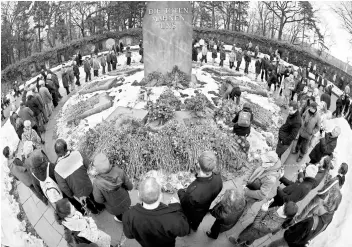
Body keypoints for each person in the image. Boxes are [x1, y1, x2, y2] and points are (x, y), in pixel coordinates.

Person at [122, 177, 190, 247]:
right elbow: (184, 231)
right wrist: (177, 206)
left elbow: (129, 235)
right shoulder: (174, 218)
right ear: (160, 196)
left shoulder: (128, 215)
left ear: (138, 195)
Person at [54, 139, 105, 215]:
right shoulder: (77, 154)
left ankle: (94, 211)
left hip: (78, 192)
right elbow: (88, 165)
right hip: (88, 184)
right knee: (94, 195)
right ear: (66, 147)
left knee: (86, 201)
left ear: (57, 153)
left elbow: (63, 187)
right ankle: (101, 207)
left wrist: (71, 195)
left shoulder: (57, 169)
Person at [178, 151, 223, 231]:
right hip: (204, 208)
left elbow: (185, 203)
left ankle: (188, 229)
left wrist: (180, 190)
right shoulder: (218, 179)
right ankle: (195, 228)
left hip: (193, 212)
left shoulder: (193, 192)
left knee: (189, 220)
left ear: (198, 165)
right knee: (197, 221)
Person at [229, 201, 298, 246]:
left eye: (283, 207)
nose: (281, 206)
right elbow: (269, 211)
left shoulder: (273, 225)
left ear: (285, 214)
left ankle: (237, 242)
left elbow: (255, 225)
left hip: (255, 231)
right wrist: (266, 208)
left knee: (244, 236)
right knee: (252, 239)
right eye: (283, 205)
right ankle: (246, 245)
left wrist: (262, 210)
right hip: (258, 232)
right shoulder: (279, 210)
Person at [92, 153, 133, 222]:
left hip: (113, 207)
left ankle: (121, 219)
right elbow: (130, 186)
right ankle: (129, 214)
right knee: (126, 207)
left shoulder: (97, 183)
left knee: (119, 214)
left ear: (97, 169)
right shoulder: (118, 171)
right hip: (125, 200)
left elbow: (98, 199)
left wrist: (105, 202)